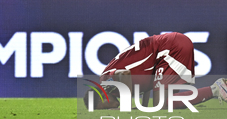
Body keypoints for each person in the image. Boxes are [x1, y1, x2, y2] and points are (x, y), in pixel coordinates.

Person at [84, 32, 227, 110]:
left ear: (102, 98)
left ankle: (216, 89)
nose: (105, 110)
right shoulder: (114, 86)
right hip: (171, 47)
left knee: (162, 104)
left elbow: (124, 74)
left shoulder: (106, 83)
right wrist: (143, 107)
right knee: (167, 104)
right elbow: (147, 81)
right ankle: (216, 89)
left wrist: (127, 108)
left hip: (170, 49)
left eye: (101, 108)